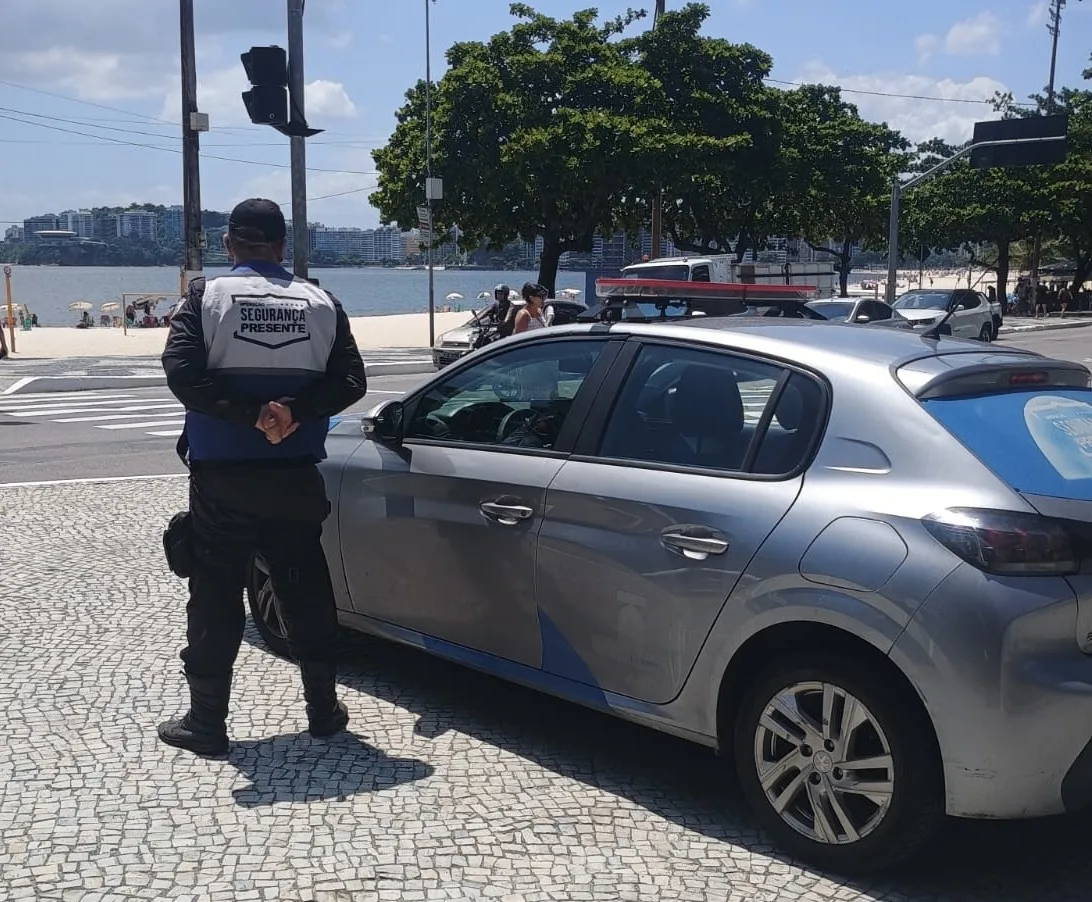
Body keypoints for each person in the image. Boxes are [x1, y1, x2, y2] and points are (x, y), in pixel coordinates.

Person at [158, 198, 368, 757]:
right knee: (304, 587)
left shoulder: (206, 297)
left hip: (223, 477)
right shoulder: (323, 301)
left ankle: (207, 722)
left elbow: (182, 375)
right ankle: (324, 710)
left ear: (230, 245)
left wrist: (249, 415)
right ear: (282, 247)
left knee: (215, 592)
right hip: (295, 475)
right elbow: (352, 381)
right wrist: (293, 413)